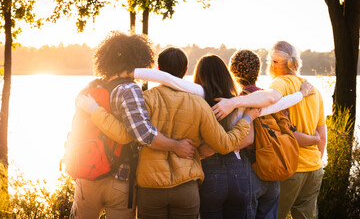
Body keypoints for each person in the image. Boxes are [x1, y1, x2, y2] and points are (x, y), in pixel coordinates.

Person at [77, 47, 258, 219]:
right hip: (186, 187)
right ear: (185, 70)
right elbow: (224, 144)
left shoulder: (143, 99)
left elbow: (128, 134)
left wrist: (95, 111)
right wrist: (246, 120)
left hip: (150, 188)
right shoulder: (199, 104)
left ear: (158, 69)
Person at [70, 32, 196, 219]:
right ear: (138, 59)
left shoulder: (89, 89)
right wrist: (176, 146)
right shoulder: (129, 89)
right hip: (119, 178)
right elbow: (142, 133)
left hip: (86, 175)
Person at [213, 42, 327, 219]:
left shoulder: (280, 83)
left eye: (270, 61)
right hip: (314, 169)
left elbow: (272, 100)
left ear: (275, 63)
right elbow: (322, 136)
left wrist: (233, 102)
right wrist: (316, 162)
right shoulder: (314, 90)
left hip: (289, 165)